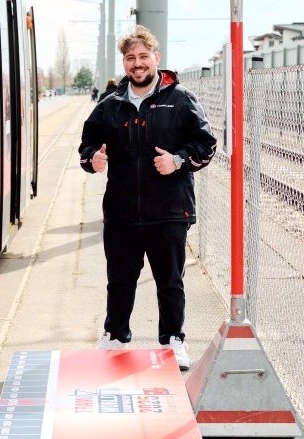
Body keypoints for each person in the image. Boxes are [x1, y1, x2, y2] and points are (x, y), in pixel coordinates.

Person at [78, 26, 216, 369]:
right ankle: (114, 335)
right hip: (122, 212)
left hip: (169, 210)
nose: (137, 64)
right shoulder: (109, 105)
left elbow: (207, 145)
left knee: (170, 282)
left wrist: (178, 161)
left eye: (143, 57)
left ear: (156, 59)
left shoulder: (180, 99)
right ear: (124, 64)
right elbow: (87, 145)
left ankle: (173, 341)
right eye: (130, 58)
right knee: (119, 280)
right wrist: (92, 158)